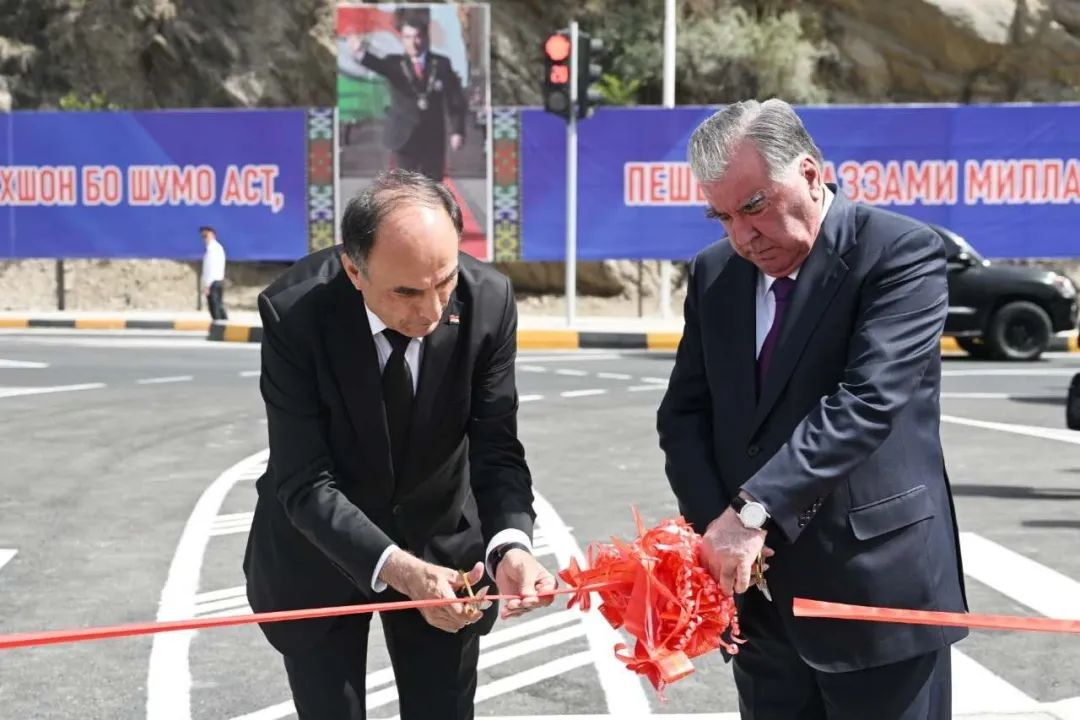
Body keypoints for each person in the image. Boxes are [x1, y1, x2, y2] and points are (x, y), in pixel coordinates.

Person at [656, 99, 968, 719]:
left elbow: (866, 403)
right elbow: (684, 414)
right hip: (758, 606)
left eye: (754, 206)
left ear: (808, 172)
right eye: (722, 216)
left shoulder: (898, 253)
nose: (742, 236)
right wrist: (716, 525)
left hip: (874, 595)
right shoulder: (715, 273)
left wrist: (752, 512)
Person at [243, 169, 555, 720]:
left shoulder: (488, 302)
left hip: (446, 558)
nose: (432, 312)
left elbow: (496, 448)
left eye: (445, 281)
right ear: (354, 270)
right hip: (319, 553)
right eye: (406, 292)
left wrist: (511, 546)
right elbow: (303, 479)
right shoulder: (295, 312)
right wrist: (401, 570)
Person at [348, 13, 466, 181]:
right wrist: (359, 52)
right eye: (408, 37)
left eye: (417, 36)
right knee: (405, 186)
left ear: (426, 38)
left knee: (432, 186)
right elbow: (378, 65)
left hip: (432, 139)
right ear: (402, 39)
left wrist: (457, 130)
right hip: (403, 138)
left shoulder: (441, 64)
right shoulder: (394, 63)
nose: (413, 42)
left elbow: (454, 99)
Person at [200, 225, 227, 320]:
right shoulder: (214, 248)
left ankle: (220, 327)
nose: (204, 239)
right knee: (218, 306)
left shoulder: (213, 249)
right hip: (217, 281)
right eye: (203, 236)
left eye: (206, 236)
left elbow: (211, 268)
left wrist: (207, 285)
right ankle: (225, 325)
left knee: (215, 308)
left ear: (212, 235)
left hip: (213, 282)